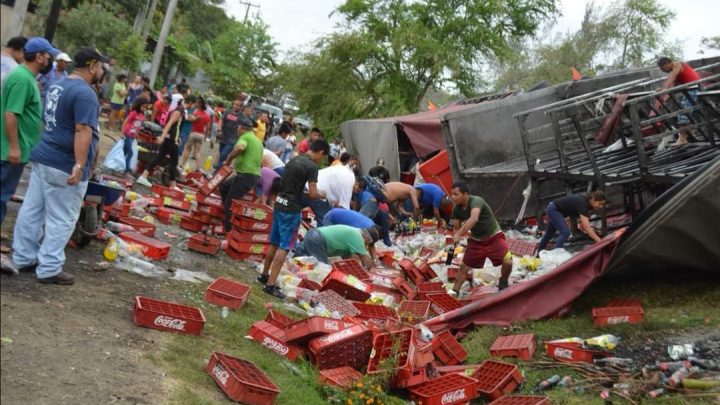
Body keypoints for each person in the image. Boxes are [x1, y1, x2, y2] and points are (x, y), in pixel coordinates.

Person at [11, 47, 106, 285]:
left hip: (45, 156)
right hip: (64, 163)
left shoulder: (58, 85)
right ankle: (49, 268)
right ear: (93, 66)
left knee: (32, 210)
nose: (102, 71)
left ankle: (23, 257)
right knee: (62, 218)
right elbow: (82, 129)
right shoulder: (85, 94)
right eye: (102, 67)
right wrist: (80, 164)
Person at [1, 37, 58, 255]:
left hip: (17, 147)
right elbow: (11, 115)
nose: (49, 59)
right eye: (48, 55)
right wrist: (14, 147)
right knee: (1, 196)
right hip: (11, 149)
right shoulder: (23, 79)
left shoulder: (26, 77)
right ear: (39, 56)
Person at [259, 139, 330, 299]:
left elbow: (292, 186)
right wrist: (321, 194)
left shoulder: (294, 159)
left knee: (274, 242)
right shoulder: (312, 167)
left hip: (279, 203)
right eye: (322, 157)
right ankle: (270, 285)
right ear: (321, 153)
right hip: (291, 210)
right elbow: (312, 194)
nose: (321, 159)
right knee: (284, 247)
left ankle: (264, 275)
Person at [450, 181, 512, 294]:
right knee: (464, 267)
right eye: (452, 194)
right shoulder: (456, 209)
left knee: (508, 262)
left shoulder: (476, 201)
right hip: (476, 240)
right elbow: (456, 227)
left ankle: (503, 281)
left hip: (493, 237)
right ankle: (455, 292)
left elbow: (474, 219)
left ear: (465, 194)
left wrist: (459, 233)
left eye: (456, 194)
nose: (453, 197)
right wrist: (455, 238)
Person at [136, 95, 196, 189]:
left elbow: (176, 127)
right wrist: (162, 137)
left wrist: (177, 137)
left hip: (172, 138)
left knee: (159, 157)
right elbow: (169, 124)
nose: (194, 107)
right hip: (171, 140)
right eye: (194, 105)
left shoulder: (180, 110)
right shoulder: (179, 111)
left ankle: (143, 176)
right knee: (174, 161)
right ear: (191, 103)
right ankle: (172, 185)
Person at [219, 116, 262, 231]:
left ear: (241, 127)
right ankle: (228, 217)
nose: (236, 130)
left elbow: (240, 148)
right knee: (224, 187)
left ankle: (229, 231)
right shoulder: (257, 140)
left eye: (237, 127)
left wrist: (228, 160)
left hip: (246, 176)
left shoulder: (245, 137)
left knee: (230, 204)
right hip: (251, 175)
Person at [537, 191, 606, 252]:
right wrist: (600, 242)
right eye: (600, 204)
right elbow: (587, 227)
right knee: (565, 233)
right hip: (554, 210)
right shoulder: (583, 204)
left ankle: (538, 254)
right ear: (593, 199)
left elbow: (582, 221)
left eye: (602, 205)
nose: (601, 207)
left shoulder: (586, 201)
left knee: (548, 234)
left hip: (553, 208)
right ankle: (556, 255)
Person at [656, 56, 702, 145]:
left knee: (683, 113)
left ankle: (682, 139)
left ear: (667, 64)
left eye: (663, 68)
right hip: (690, 90)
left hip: (694, 88)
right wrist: (664, 98)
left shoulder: (677, 65)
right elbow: (673, 86)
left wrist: (662, 90)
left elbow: (671, 78)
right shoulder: (676, 72)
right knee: (688, 113)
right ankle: (689, 135)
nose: (663, 71)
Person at [296, 225, 380, 267]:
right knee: (321, 268)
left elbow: (350, 260)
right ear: (368, 240)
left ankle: (294, 251)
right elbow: (366, 262)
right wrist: (374, 270)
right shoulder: (358, 238)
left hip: (314, 235)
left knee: (301, 258)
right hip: (317, 239)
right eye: (367, 245)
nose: (365, 246)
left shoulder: (355, 233)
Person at [121, 96, 148, 180]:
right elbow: (126, 121)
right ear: (139, 105)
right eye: (143, 106)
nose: (144, 109)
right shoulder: (134, 112)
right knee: (130, 153)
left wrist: (137, 134)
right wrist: (122, 132)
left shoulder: (142, 114)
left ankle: (121, 167)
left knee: (125, 152)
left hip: (133, 135)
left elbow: (139, 125)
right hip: (127, 133)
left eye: (146, 107)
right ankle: (126, 171)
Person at [180, 96, 209, 171]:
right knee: (197, 152)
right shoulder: (206, 115)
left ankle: (182, 164)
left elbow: (190, 119)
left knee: (188, 149)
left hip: (193, 133)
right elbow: (208, 127)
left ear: (199, 104)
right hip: (201, 135)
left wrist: (194, 118)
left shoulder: (195, 111)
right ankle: (198, 167)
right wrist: (206, 137)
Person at [216, 99, 243, 170]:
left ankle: (216, 172)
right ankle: (221, 169)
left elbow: (240, 128)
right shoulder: (227, 111)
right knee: (221, 154)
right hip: (223, 137)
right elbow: (221, 120)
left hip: (232, 139)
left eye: (237, 105)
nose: (235, 106)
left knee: (223, 155)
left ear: (240, 107)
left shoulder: (241, 116)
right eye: (234, 104)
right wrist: (219, 130)